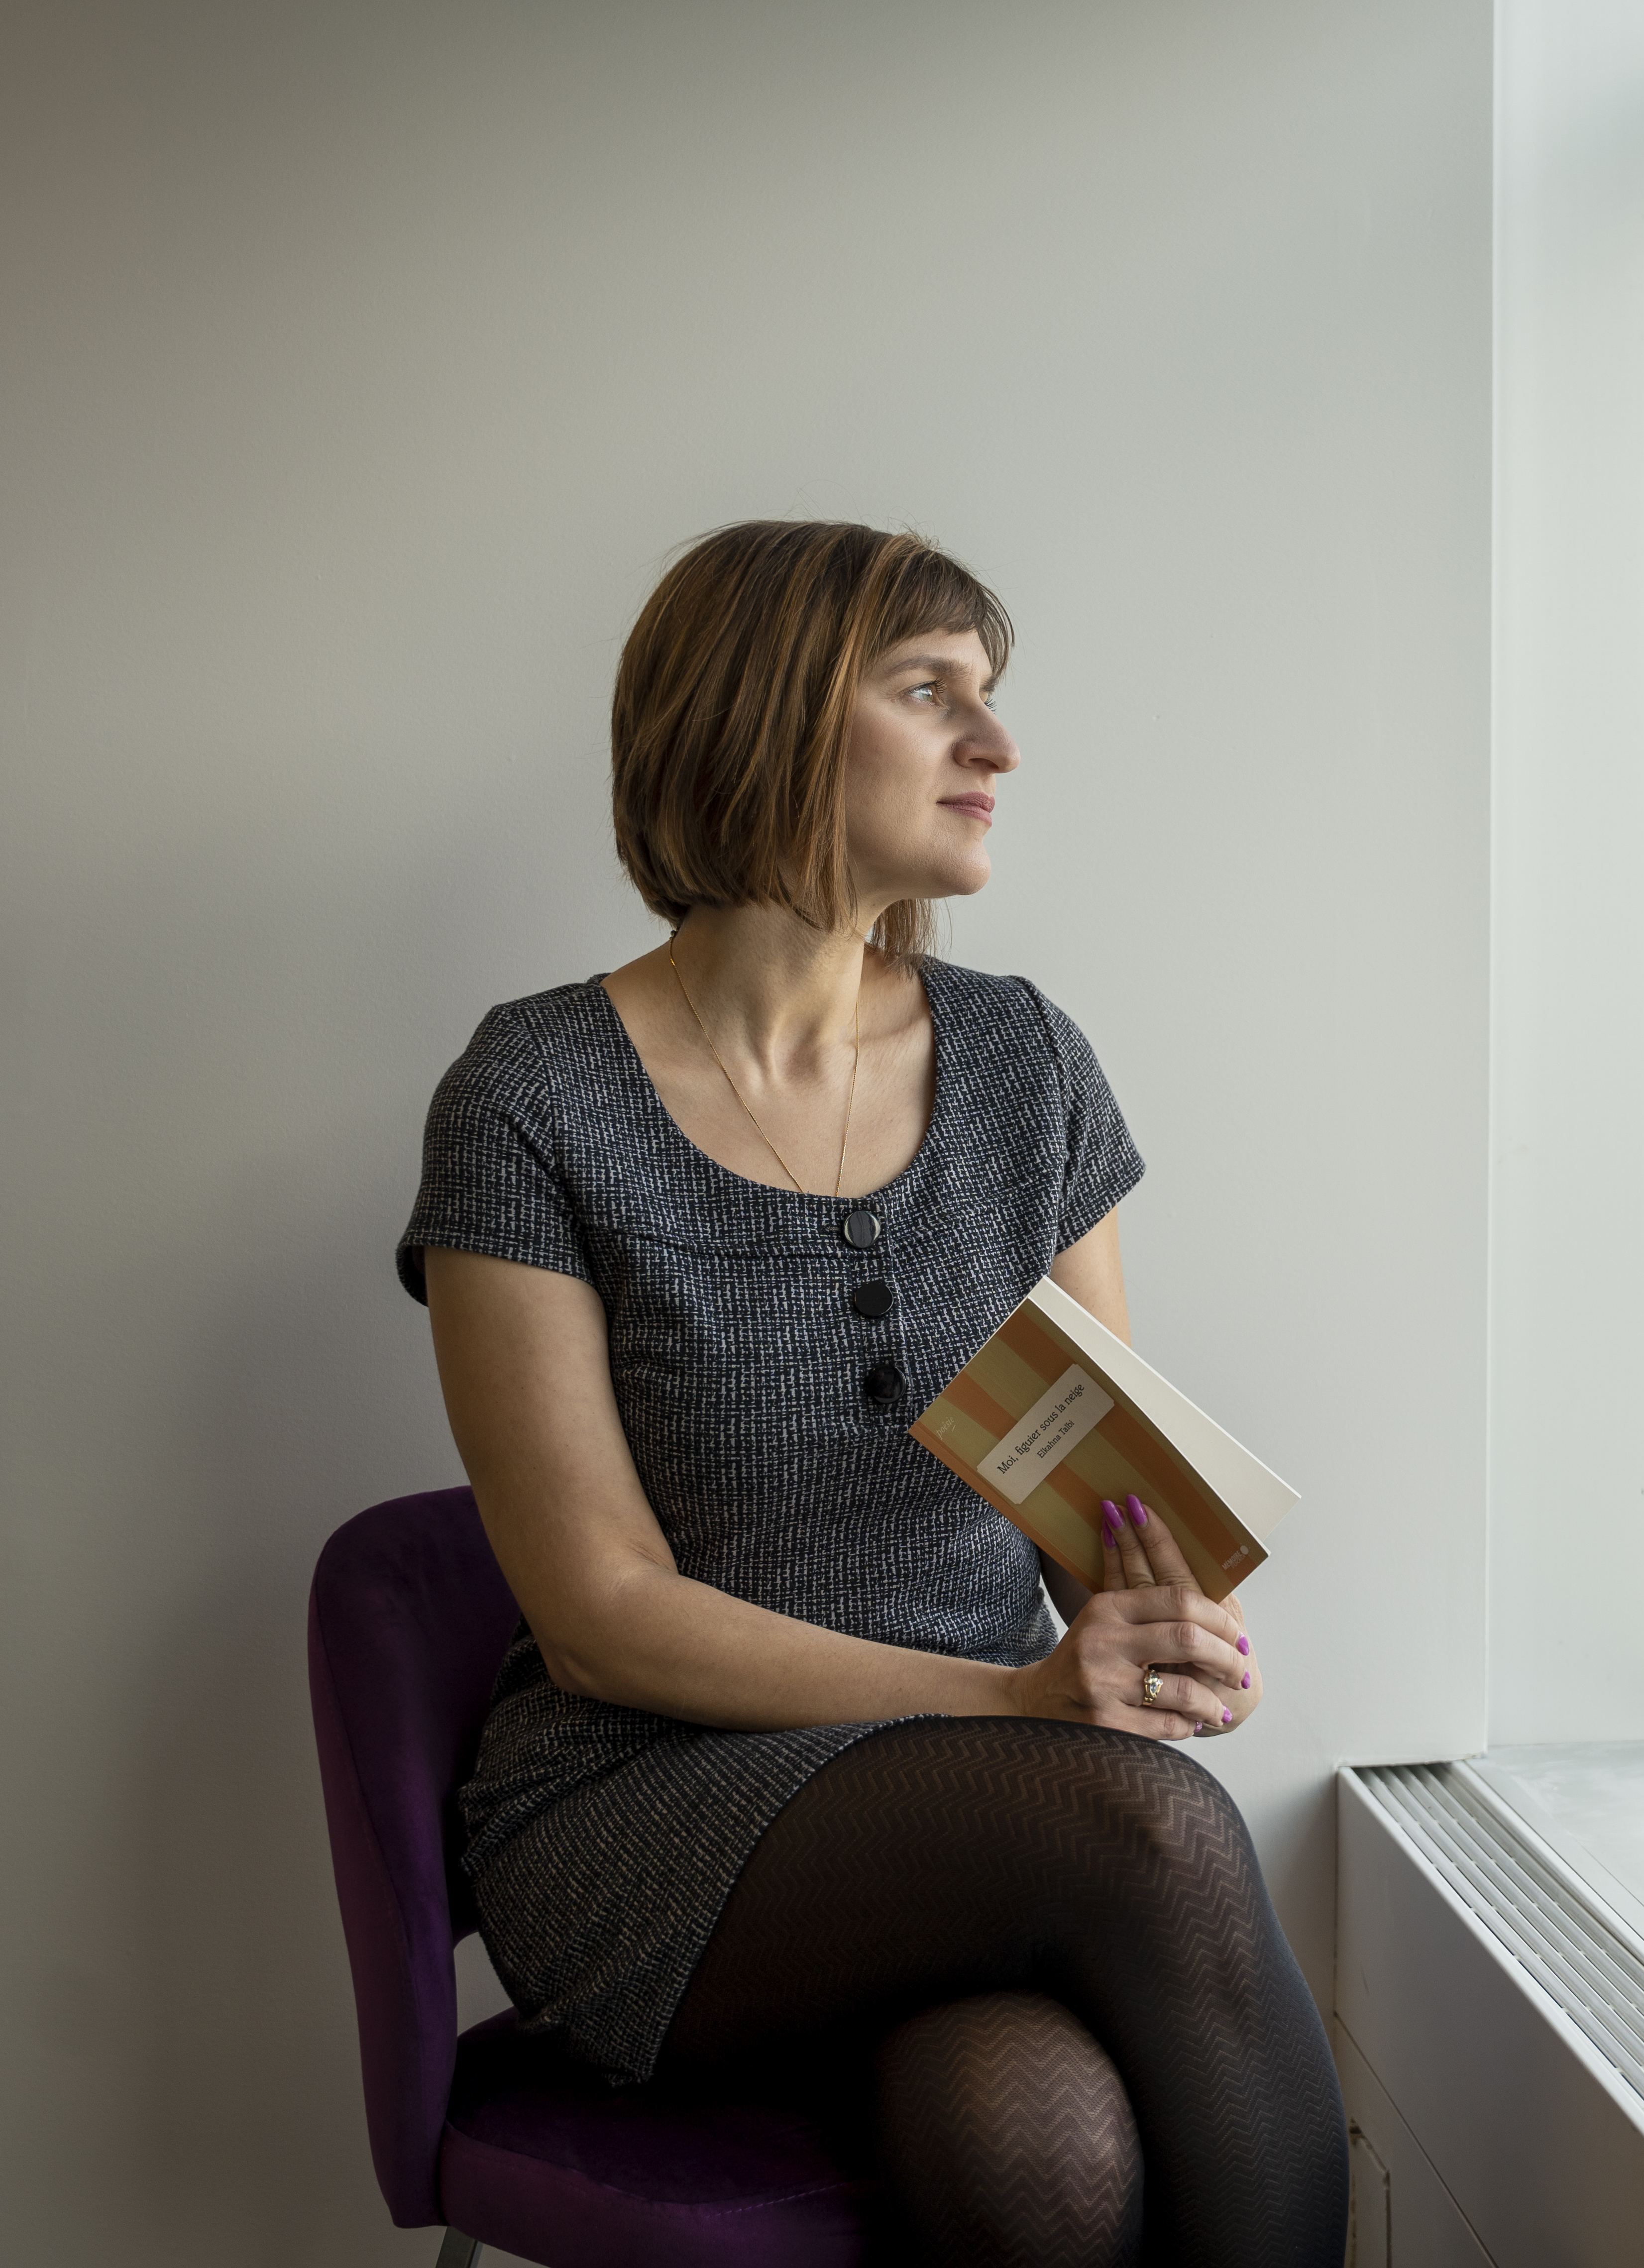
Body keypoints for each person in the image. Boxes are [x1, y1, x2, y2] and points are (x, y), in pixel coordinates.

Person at [396, 520, 1347, 2266]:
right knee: (1148, 1831)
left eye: (991, 701)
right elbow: (603, 1621)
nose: (997, 750)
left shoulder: (1024, 1062)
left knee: (1030, 2142)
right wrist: (1020, 1709)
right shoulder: (531, 1094)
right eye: (931, 695)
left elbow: (1102, 1508)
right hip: (649, 1814)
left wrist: (1150, 1620)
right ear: (764, 719)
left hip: (998, 1817)